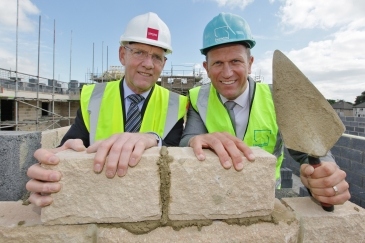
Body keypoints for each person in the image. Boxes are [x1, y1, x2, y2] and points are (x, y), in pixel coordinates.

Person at [180, 12, 350, 206]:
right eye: (218, 63)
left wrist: (325, 174)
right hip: (215, 199)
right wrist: (196, 139)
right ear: (206, 67)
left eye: (236, 61)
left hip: (266, 199)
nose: (227, 73)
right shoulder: (197, 97)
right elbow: (188, 139)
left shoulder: (276, 97)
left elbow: (307, 148)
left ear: (250, 64)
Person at [26, 12, 188, 207]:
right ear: (122, 55)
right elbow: (73, 143)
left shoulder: (176, 104)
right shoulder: (93, 96)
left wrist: (151, 138)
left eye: (157, 57)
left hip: (149, 203)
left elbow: (174, 155)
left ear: (163, 64)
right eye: (139, 52)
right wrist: (54, 163)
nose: (148, 64)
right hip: (99, 201)